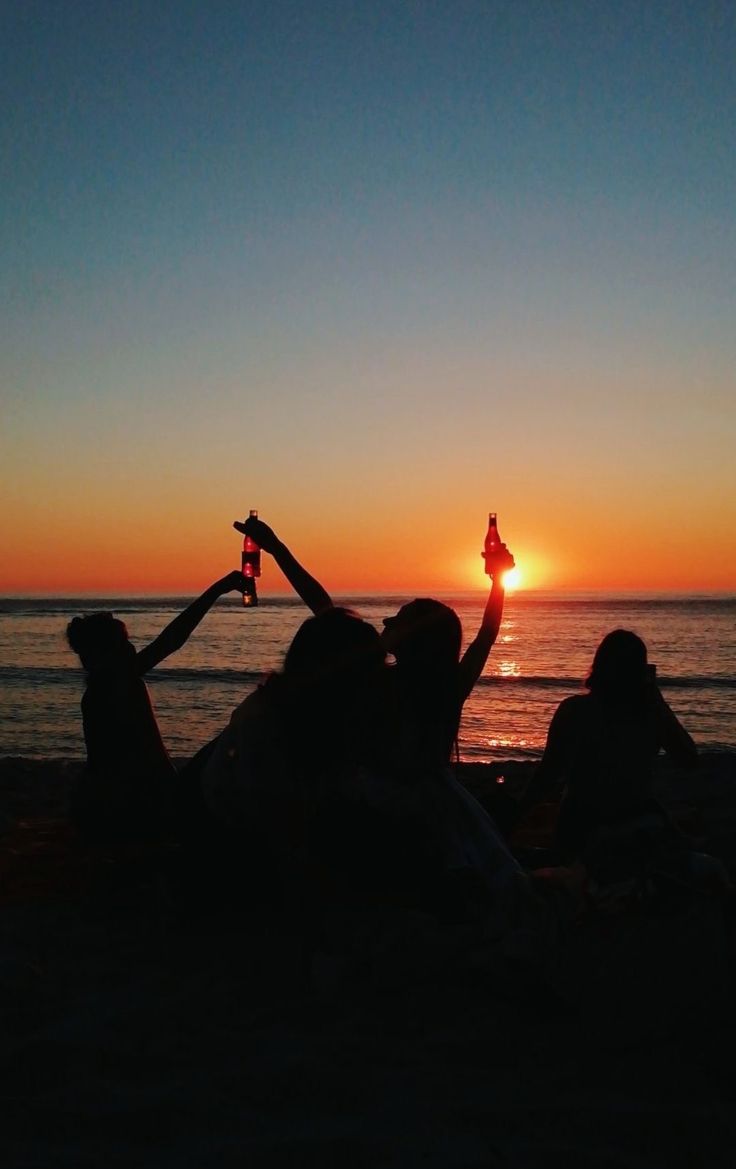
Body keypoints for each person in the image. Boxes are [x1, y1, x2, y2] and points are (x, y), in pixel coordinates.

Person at [66, 571, 248, 842]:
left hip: (112, 803)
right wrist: (218, 589)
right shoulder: (117, 683)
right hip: (138, 805)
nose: (131, 647)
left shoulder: (102, 688)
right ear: (103, 654)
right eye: (122, 643)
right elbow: (172, 639)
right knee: (237, 732)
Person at [522, 629, 698, 867]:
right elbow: (689, 760)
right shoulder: (649, 715)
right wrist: (658, 704)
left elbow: (547, 775)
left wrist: (517, 813)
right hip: (630, 822)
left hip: (583, 824)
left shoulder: (574, 711)